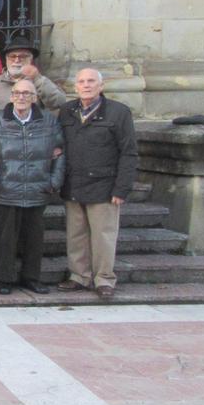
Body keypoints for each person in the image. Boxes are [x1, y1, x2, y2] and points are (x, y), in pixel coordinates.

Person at [56, 68, 138, 300]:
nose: (86, 85)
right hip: (73, 182)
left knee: (103, 235)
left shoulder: (118, 112)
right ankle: (79, 276)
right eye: (81, 81)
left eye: (91, 81)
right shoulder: (67, 111)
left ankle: (104, 279)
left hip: (104, 185)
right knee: (76, 235)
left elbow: (129, 153)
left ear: (101, 86)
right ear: (76, 87)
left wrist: (122, 188)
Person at [0, 78, 64, 296]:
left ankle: (31, 278)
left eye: (27, 94)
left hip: (38, 188)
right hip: (6, 189)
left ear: (35, 98)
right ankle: (5, 278)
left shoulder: (48, 121)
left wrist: (54, 181)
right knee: (6, 238)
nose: (22, 97)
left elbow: (60, 153)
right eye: (17, 93)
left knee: (34, 238)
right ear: (11, 96)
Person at [0, 41, 67, 118]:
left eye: (23, 56)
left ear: (31, 60)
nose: (17, 60)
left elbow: (60, 103)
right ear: (6, 59)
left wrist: (37, 79)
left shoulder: (40, 81)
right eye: (12, 56)